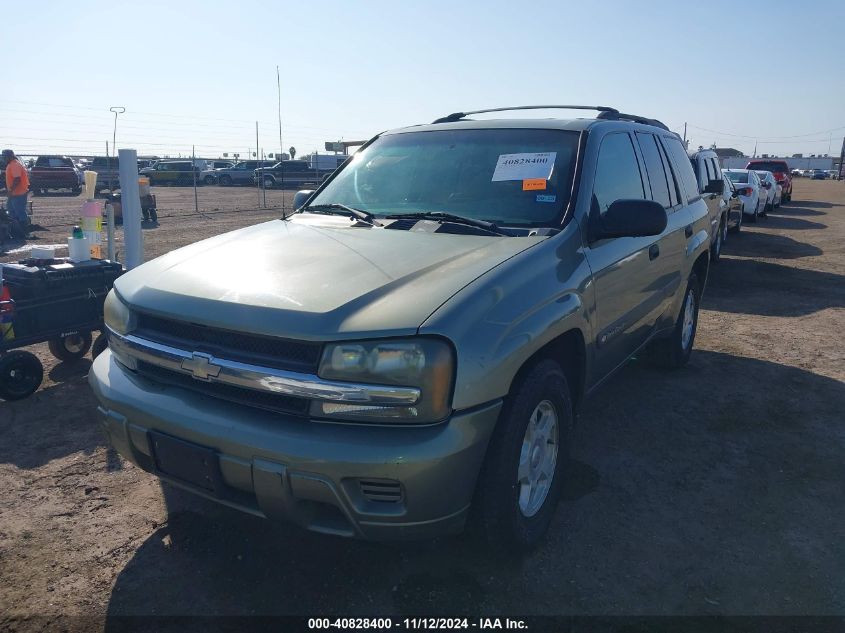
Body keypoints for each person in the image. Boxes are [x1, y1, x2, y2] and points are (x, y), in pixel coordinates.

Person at [3, 149, 30, 226]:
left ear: (10, 156)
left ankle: (23, 227)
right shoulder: (11, 164)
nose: (4, 159)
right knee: (11, 210)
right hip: (14, 193)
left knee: (19, 211)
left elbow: (17, 179)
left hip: (18, 193)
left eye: (5, 157)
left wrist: (10, 190)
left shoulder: (14, 165)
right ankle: (15, 226)